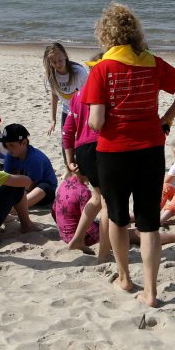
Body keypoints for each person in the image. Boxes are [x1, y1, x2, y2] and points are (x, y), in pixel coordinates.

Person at [83, 2, 175, 307]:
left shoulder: (102, 69)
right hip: (149, 150)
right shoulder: (153, 63)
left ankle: (125, 278)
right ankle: (151, 291)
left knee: (117, 218)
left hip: (113, 151)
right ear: (135, 33)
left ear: (105, 35)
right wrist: (167, 119)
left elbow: (95, 122)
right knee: (149, 223)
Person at [53, 174, 175, 252]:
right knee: (136, 233)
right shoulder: (83, 192)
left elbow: (53, 211)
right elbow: (91, 225)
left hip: (65, 234)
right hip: (84, 236)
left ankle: (151, 217)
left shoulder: (63, 184)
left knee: (120, 218)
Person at [62, 62, 112, 259]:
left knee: (97, 198)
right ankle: (104, 253)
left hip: (82, 151)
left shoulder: (76, 96)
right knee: (108, 203)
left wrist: (70, 159)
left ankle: (77, 239)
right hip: (99, 147)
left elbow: (68, 131)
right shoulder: (102, 93)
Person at [0, 124, 58, 207]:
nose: (8, 149)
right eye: (5, 145)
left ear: (24, 142)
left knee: (43, 187)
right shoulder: (10, 155)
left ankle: (16, 208)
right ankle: (15, 206)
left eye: (12, 145)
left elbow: (30, 185)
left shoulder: (35, 158)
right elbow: (7, 177)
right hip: (22, 190)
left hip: (42, 194)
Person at [43, 42, 89, 140]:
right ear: (50, 62)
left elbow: (89, 93)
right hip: (67, 110)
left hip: (82, 110)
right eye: (54, 62)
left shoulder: (79, 72)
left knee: (82, 140)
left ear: (65, 55)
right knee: (66, 141)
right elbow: (54, 95)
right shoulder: (51, 75)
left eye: (60, 60)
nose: (58, 64)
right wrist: (53, 120)